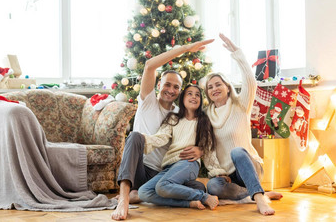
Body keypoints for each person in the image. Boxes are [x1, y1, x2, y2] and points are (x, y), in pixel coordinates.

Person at [111, 39, 215, 220]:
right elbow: (150, 66)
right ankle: (125, 198)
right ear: (159, 84)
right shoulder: (147, 101)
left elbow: (198, 135)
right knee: (135, 137)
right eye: (167, 84)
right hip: (140, 170)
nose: (171, 90)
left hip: (163, 175)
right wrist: (186, 48)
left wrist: (201, 149)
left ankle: (141, 195)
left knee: (198, 187)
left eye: (176, 87)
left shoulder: (178, 114)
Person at [204, 33, 281, 216]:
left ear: (227, 87)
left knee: (237, 151)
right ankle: (254, 193)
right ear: (207, 93)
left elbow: (250, 80)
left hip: (249, 167)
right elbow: (207, 148)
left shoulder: (241, 105)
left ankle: (260, 199)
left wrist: (237, 53)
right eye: (210, 87)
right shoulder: (206, 115)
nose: (214, 89)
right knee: (213, 187)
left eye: (218, 84)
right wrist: (217, 172)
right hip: (228, 175)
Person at [138, 84, 220, 210]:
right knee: (144, 192)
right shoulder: (173, 118)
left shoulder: (203, 120)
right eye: (190, 94)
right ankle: (189, 203)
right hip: (170, 166)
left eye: (197, 95)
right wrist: (143, 140)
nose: (194, 97)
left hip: (189, 163)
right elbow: (161, 137)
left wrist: (216, 171)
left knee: (162, 186)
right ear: (182, 98)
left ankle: (203, 196)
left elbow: (208, 148)